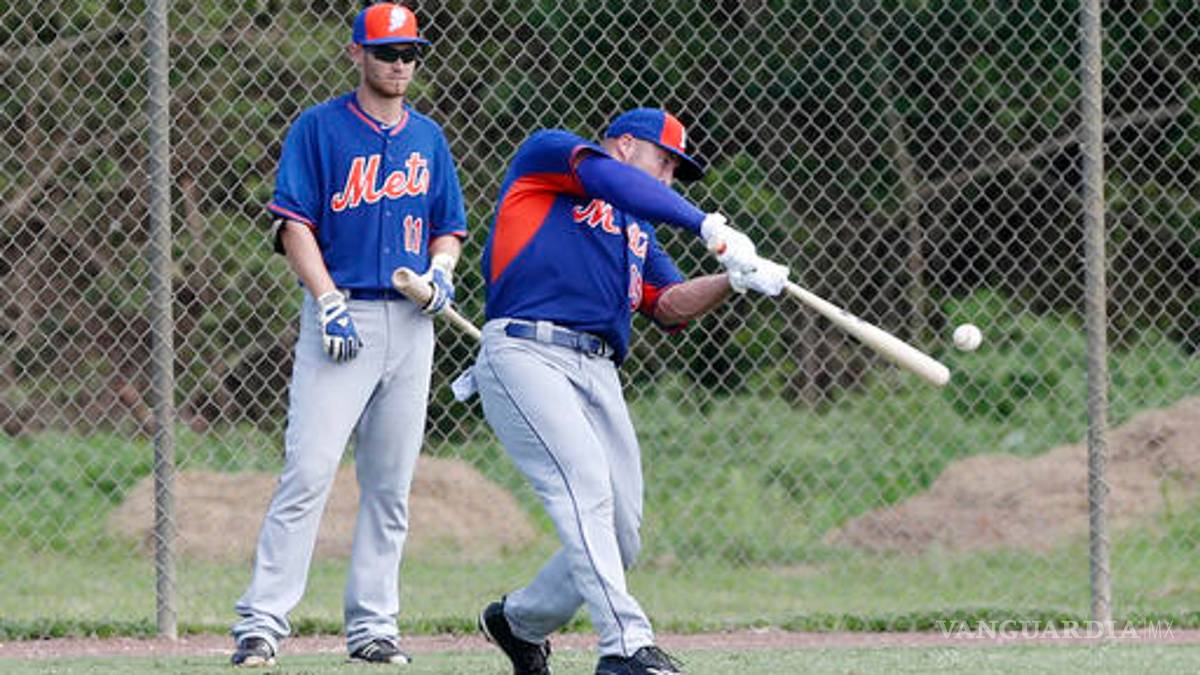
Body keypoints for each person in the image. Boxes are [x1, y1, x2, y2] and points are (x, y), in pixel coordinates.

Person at [470, 108, 788, 675]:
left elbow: (667, 305)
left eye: (675, 170)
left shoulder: (633, 229)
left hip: (597, 368)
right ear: (622, 147)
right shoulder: (552, 154)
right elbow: (611, 183)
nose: (666, 178)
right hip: (526, 351)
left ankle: (518, 623)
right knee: (586, 491)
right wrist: (708, 225)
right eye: (663, 162)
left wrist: (732, 279)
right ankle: (624, 647)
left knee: (621, 531)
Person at [230, 3, 466, 667]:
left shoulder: (429, 139)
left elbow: (448, 223)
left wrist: (442, 270)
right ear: (355, 54)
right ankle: (262, 622)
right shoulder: (319, 129)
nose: (400, 64)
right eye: (387, 52)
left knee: (390, 486)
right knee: (308, 471)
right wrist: (326, 297)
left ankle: (373, 627)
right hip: (344, 315)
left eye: (410, 53)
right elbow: (293, 222)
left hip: (412, 321)